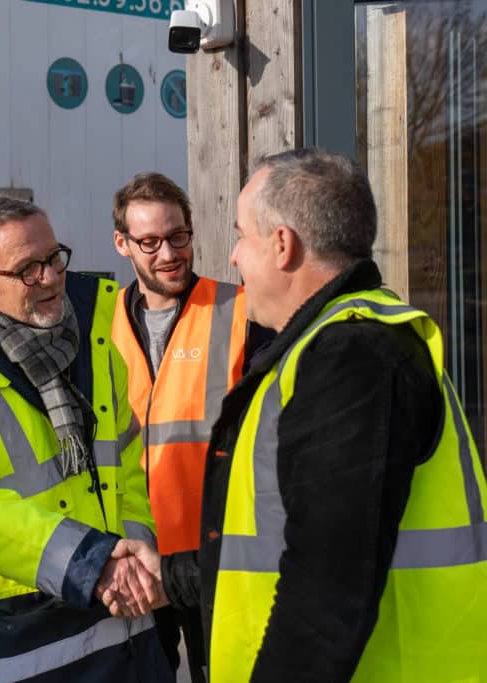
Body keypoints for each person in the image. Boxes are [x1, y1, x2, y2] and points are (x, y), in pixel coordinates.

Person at [135, 148, 487, 681]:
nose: (233, 258)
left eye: (241, 236)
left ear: (282, 245)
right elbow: (281, 543)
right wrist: (170, 576)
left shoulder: (352, 359)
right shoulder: (334, 349)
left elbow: (324, 593)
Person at [0, 195, 174, 681]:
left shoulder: (96, 346)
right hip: (9, 642)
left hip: (120, 620)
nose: (49, 277)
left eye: (53, 258)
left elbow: (127, 465)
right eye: (26, 269)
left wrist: (134, 554)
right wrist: (92, 563)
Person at [109, 172, 268, 682]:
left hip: (211, 554)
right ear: (122, 244)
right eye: (150, 242)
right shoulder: (98, 324)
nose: (169, 253)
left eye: (179, 236)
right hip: (132, 553)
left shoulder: (240, 310)